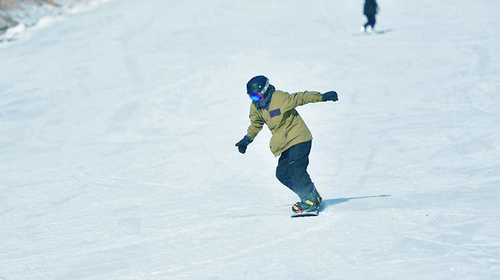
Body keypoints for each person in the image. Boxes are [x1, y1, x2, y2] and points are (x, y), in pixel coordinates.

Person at [235, 75, 338, 215]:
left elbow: (301, 98)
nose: (255, 100)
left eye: (257, 96)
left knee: (296, 169)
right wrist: (247, 139)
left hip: (299, 138)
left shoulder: (279, 98)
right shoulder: (256, 107)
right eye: (252, 97)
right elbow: (256, 124)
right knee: (282, 173)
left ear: (264, 90)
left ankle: (309, 201)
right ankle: (312, 195)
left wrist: (322, 97)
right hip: (285, 143)